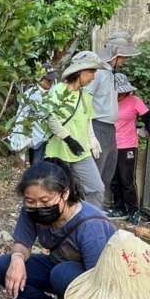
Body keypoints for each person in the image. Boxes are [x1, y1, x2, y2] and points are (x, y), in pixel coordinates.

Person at [0, 161, 117, 299]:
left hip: (97, 287)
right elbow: (22, 243)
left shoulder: (91, 225)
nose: (38, 206)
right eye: (30, 201)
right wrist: (17, 259)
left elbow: (100, 288)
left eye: (45, 201)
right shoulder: (32, 210)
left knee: (62, 273)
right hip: (60, 268)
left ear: (65, 194)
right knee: (3, 266)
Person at [43, 51, 107, 207]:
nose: (94, 76)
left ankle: (90, 223)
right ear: (79, 72)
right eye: (91, 71)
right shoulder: (59, 90)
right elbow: (50, 117)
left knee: (96, 189)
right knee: (55, 194)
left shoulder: (86, 95)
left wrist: (92, 139)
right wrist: (68, 139)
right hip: (58, 152)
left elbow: (87, 120)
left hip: (81, 152)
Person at [87, 39, 134, 205]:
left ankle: (96, 211)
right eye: (123, 57)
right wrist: (90, 134)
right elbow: (85, 102)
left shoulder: (111, 74)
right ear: (115, 55)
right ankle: (89, 214)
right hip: (97, 126)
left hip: (110, 129)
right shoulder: (97, 73)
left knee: (107, 174)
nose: (124, 61)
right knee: (95, 176)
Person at [111, 74, 150, 221]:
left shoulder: (134, 101)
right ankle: (119, 208)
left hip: (127, 145)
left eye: (121, 92)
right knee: (114, 179)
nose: (119, 95)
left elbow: (147, 117)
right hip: (111, 145)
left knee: (127, 179)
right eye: (117, 92)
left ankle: (133, 210)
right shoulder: (108, 101)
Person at [8, 69, 57, 168]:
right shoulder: (30, 95)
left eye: (52, 80)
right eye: (48, 80)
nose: (51, 83)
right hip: (37, 139)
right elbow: (21, 117)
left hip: (52, 137)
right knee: (37, 167)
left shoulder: (55, 93)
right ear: (40, 79)